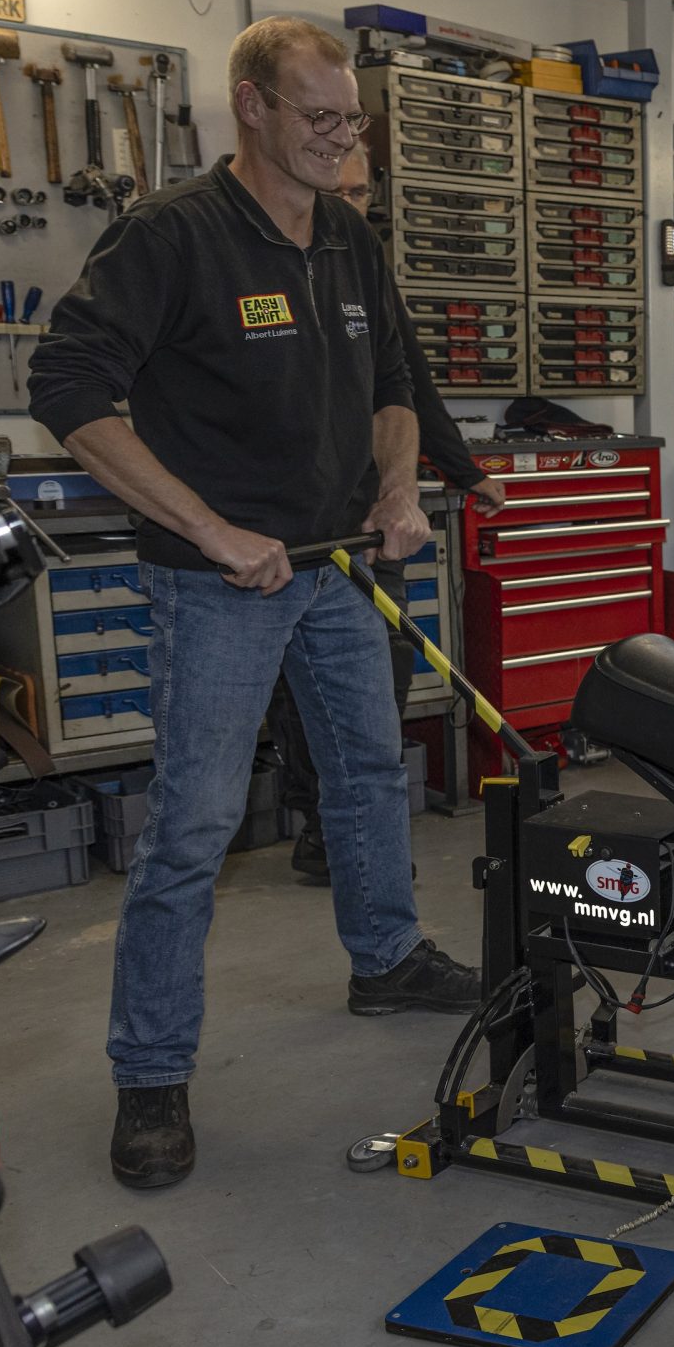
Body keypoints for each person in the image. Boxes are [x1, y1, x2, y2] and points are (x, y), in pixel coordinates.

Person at [27, 17, 483, 1193]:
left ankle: (384, 956)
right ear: (254, 109)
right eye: (321, 117)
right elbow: (68, 383)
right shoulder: (174, 237)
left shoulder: (346, 238)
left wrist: (396, 490)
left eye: (353, 119)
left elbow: (392, 384)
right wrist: (209, 528)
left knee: (371, 772)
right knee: (193, 829)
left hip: (339, 567)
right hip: (218, 583)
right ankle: (151, 1074)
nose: (343, 138)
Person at [271, 140, 507, 884]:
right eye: (333, 188)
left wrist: (460, 474)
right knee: (294, 695)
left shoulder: (364, 269)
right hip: (277, 530)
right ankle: (319, 828)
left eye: (360, 192)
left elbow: (405, 385)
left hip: (363, 523)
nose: (346, 205)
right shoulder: (255, 264)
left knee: (380, 684)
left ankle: (361, 851)